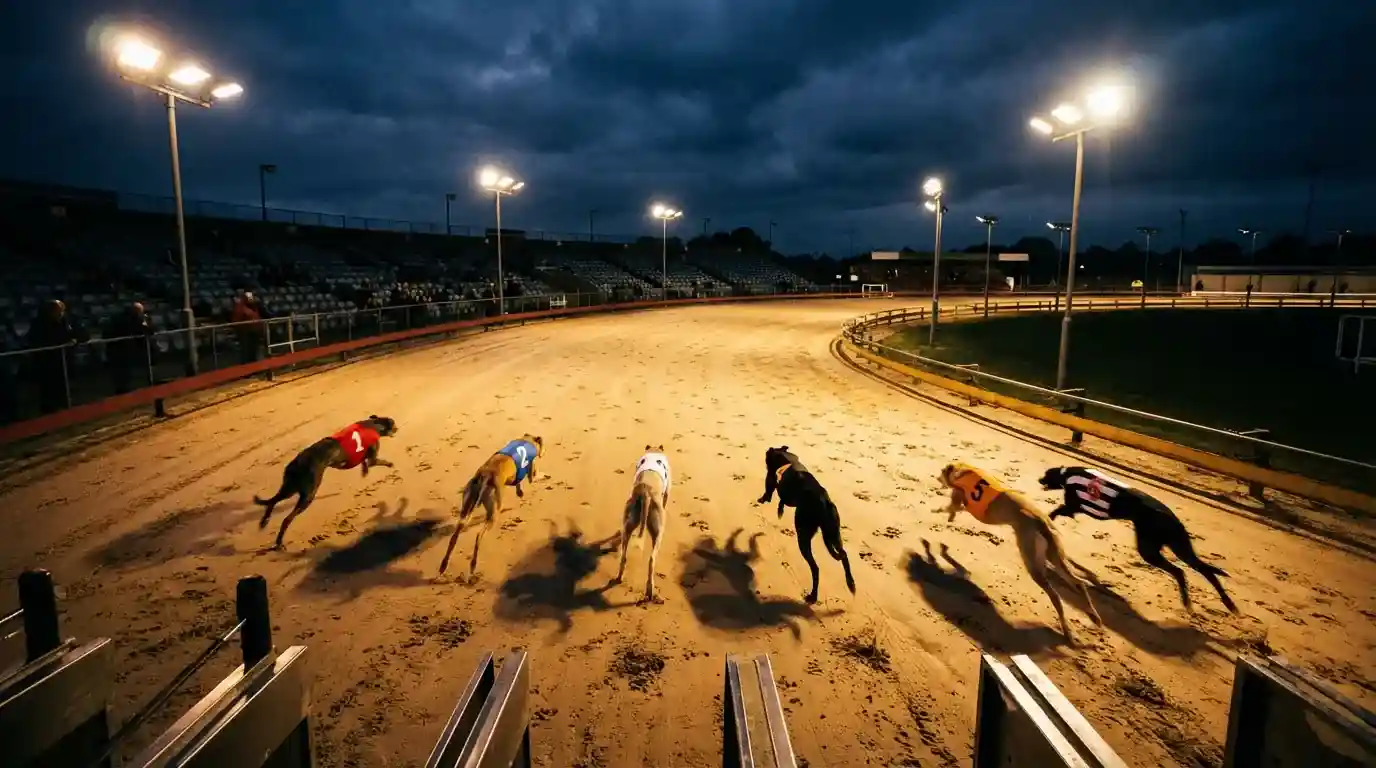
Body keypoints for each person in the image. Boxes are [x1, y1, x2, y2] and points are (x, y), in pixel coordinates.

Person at [26, 299, 86, 414]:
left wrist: (75, 340)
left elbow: (83, 334)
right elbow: (35, 341)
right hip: (47, 364)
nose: (61, 313)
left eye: (62, 311)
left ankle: (65, 409)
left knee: (65, 389)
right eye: (58, 311)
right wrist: (60, 343)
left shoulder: (68, 320)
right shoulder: (39, 323)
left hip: (65, 362)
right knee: (48, 392)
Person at [106, 302, 155, 394]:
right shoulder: (125, 319)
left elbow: (150, 330)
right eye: (138, 311)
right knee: (122, 370)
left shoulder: (143, 318)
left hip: (136, 346)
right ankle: (122, 389)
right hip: (121, 348)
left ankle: (146, 382)